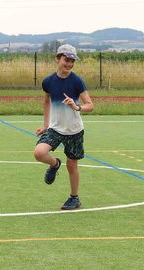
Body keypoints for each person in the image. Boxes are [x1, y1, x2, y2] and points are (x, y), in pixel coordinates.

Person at [34, 44, 94, 210]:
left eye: (72, 61)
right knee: (39, 152)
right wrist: (46, 125)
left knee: (72, 165)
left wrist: (77, 107)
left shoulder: (77, 81)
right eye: (66, 60)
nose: (69, 64)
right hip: (55, 129)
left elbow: (90, 105)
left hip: (75, 130)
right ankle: (54, 164)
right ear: (57, 58)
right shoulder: (48, 82)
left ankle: (74, 198)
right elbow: (46, 101)